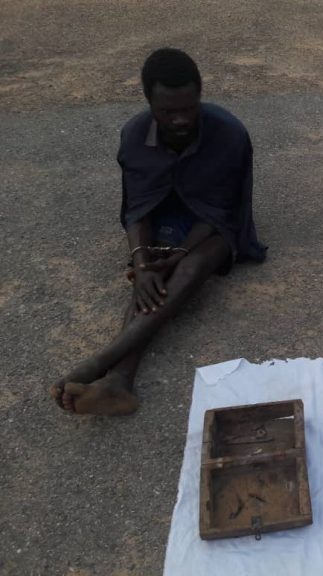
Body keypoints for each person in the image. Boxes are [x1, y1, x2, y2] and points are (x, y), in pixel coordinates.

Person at [49, 48, 266, 415]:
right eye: (167, 112)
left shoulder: (228, 133)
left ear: (200, 97)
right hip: (166, 215)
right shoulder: (135, 135)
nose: (180, 120)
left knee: (192, 267)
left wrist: (179, 253)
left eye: (189, 108)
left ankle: (104, 362)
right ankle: (119, 382)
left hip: (212, 224)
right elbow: (138, 207)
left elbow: (221, 209)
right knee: (151, 279)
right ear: (149, 103)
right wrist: (142, 263)